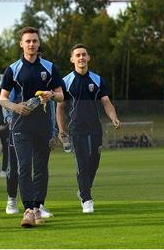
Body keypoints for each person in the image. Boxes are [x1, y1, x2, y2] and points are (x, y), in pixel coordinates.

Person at [0, 27, 64, 228]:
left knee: (41, 168)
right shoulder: (13, 69)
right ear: (21, 44)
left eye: (35, 41)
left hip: (43, 125)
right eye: (28, 41)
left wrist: (51, 95)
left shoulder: (49, 67)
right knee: (24, 166)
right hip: (20, 125)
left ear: (39, 43)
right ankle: (28, 209)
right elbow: (2, 99)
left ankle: (38, 207)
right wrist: (15, 107)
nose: (32, 44)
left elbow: (62, 95)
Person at [56, 44, 120, 214]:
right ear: (72, 59)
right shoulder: (66, 81)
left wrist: (113, 116)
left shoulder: (97, 80)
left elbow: (106, 101)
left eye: (84, 54)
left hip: (95, 129)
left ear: (88, 57)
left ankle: (83, 189)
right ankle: (86, 198)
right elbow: (60, 107)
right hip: (76, 129)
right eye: (77, 55)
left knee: (94, 163)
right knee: (82, 164)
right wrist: (62, 130)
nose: (81, 58)